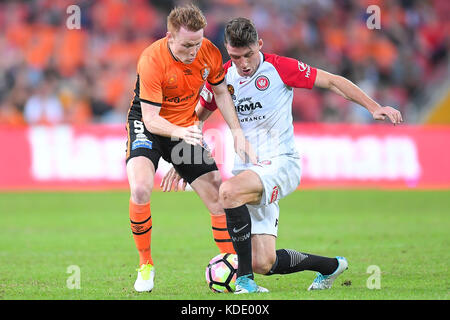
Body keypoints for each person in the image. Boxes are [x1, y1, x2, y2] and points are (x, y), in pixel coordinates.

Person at [161, 17, 403, 294]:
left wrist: (373, 107)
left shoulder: (279, 68)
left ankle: (243, 282)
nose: (244, 64)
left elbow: (332, 82)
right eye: (236, 56)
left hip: (281, 163)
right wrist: (183, 161)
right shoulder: (223, 77)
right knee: (263, 261)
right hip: (249, 173)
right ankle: (330, 266)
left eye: (249, 55)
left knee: (227, 192)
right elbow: (197, 119)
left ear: (259, 45)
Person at [125, 6, 257, 293]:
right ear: (170, 37)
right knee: (140, 189)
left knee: (218, 194)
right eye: (187, 45)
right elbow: (150, 119)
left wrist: (236, 133)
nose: (194, 50)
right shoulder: (151, 59)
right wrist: (182, 136)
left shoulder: (209, 51)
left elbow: (220, 92)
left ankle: (232, 264)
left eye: (198, 42)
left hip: (184, 128)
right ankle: (145, 264)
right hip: (150, 126)